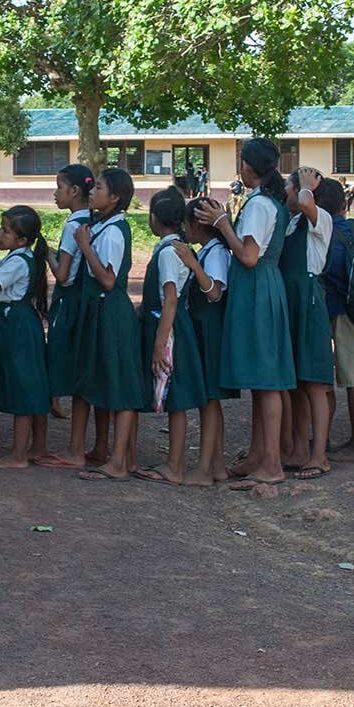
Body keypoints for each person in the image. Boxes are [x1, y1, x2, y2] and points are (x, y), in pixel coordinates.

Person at [193, 139, 295, 489]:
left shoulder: (260, 205)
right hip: (263, 286)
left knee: (266, 380)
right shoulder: (264, 200)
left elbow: (249, 256)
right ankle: (257, 455)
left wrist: (222, 223)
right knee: (260, 377)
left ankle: (271, 464)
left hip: (257, 287)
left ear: (250, 166)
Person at [75, 168, 147, 481]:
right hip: (101, 311)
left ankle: (118, 462)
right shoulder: (103, 225)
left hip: (112, 311)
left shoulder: (115, 230)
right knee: (108, 380)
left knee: (121, 384)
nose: (92, 191)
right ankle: (122, 458)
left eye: (99, 187)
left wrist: (84, 247)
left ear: (115, 197)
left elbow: (107, 278)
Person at [134, 189, 210, 485]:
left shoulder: (169, 252)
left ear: (155, 218)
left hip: (169, 328)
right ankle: (174, 463)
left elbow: (170, 300)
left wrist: (158, 343)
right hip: (172, 325)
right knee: (175, 396)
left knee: (175, 397)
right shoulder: (175, 247)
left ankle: (174, 465)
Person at [44, 165, 108, 469]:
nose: (55, 193)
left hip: (71, 303)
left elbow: (64, 274)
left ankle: (75, 448)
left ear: (73, 191)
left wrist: (45, 254)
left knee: (75, 372)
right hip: (90, 302)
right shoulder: (95, 220)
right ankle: (99, 444)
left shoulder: (74, 225)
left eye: (58, 187)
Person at [0, 205, 51, 470]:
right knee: (29, 382)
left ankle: (19, 454)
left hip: (16, 325)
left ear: (22, 240)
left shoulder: (16, 261)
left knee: (22, 385)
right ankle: (36, 447)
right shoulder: (22, 257)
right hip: (19, 322)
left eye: (5, 231)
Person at [279, 167, 333, 479]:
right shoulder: (292, 222)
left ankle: (319, 454)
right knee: (297, 383)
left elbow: (305, 202)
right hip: (292, 301)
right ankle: (299, 448)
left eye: (291, 186)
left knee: (314, 383)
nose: (288, 191)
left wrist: (306, 184)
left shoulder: (318, 217)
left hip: (309, 302)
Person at [176, 195, 234, 484]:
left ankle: (203, 469)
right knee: (208, 403)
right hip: (203, 330)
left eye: (186, 224)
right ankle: (218, 465)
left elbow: (214, 292)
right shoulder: (208, 250)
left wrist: (192, 265)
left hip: (211, 332)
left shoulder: (217, 254)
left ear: (198, 226)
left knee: (209, 403)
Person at [318, 178, 354, 463]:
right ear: (344, 204)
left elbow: (325, 268)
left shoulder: (324, 234)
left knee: (350, 378)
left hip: (339, 308)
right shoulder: (353, 227)